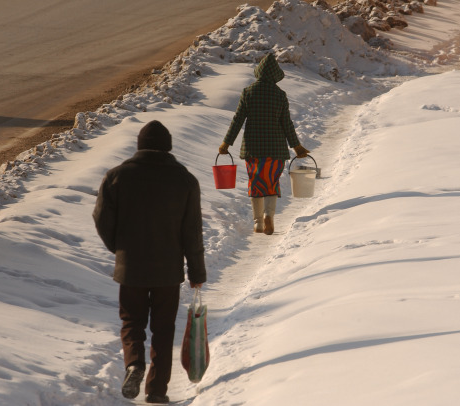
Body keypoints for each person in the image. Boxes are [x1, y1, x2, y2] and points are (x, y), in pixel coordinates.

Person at [93, 120, 206, 404]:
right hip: (168, 270)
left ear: (140, 146)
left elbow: (101, 218)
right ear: (168, 147)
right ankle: (157, 390)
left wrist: (119, 248)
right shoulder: (185, 180)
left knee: (131, 320)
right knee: (163, 328)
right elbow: (191, 230)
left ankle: (134, 363)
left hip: (131, 265)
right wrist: (196, 271)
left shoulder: (117, 176)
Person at [218, 53, 309, 235]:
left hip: (253, 148)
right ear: (275, 75)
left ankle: (258, 223)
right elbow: (286, 123)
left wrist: (226, 142)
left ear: (258, 72)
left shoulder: (248, 92)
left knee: (256, 181)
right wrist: (296, 146)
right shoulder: (280, 95)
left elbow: (237, 120)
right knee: (271, 182)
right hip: (275, 149)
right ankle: (269, 215)